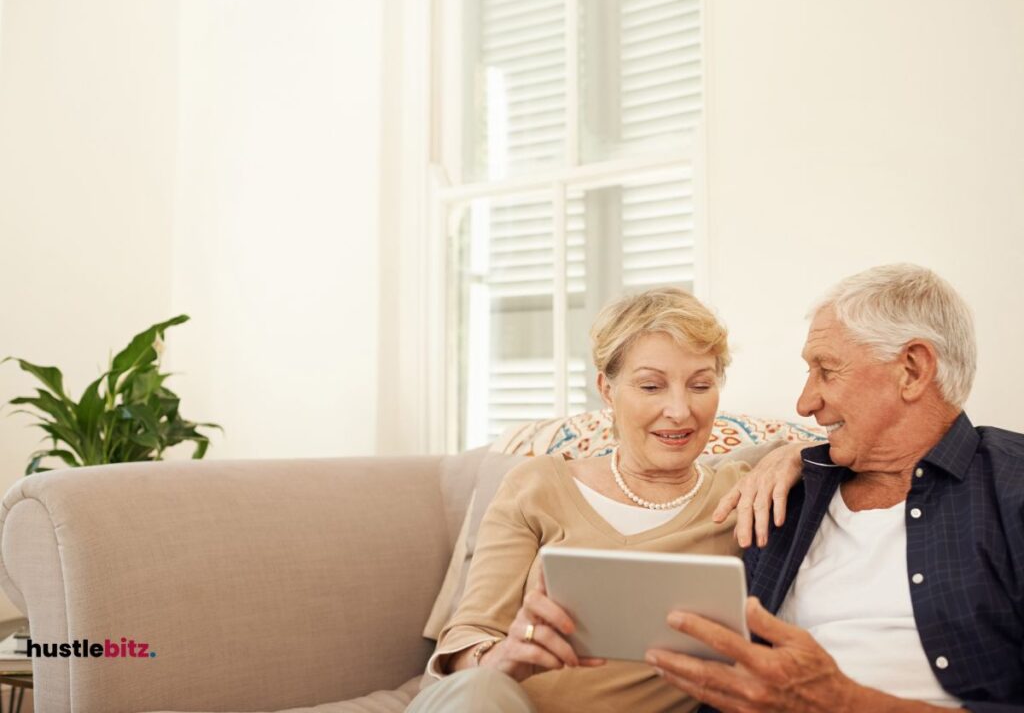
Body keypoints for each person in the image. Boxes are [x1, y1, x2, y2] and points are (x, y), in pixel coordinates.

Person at [407, 287, 805, 713]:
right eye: (651, 385)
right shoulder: (537, 484)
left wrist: (796, 454)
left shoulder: (744, 494)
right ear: (607, 389)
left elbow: (849, 446)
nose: (679, 410)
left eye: (701, 385)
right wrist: (501, 659)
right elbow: (467, 638)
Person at [646, 263, 1024, 712]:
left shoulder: (1010, 486)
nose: (805, 403)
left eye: (826, 370)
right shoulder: (791, 489)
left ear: (912, 369)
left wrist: (842, 702)